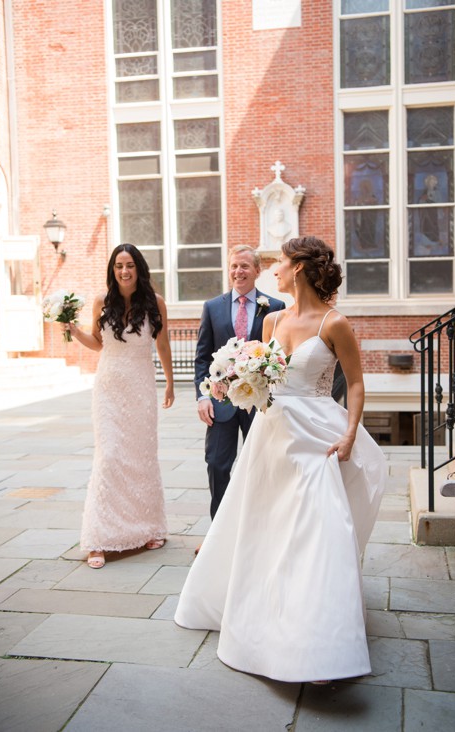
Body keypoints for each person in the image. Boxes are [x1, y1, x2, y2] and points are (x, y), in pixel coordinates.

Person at [175, 235, 386, 683]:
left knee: (320, 527)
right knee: (266, 525)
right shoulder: (270, 321)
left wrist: (349, 436)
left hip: (318, 438)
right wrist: (232, 383)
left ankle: (319, 641)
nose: (274, 270)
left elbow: (357, 384)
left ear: (302, 269)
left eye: (283, 263)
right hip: (273, 436)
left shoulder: (335, 323)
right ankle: (266, 618)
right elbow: (264, 379)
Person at [63, 244, 174, 569]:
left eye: (129, 265)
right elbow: (98, 343)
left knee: (141, 457)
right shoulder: (102, 301)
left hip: (141, 387)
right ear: (112, 270)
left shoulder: (156, 303)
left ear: (138, 268)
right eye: (118, 266)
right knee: (110, 455)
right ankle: (99, 538)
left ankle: (150, 527)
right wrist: (74, 331)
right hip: (109, 387)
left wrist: (169, 383)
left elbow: (163, 343)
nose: (124, 271)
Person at [194, 245, 285, 523]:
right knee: (217, 466)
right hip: (221, 402)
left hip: (258, 404)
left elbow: (279, 357)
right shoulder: (212, 307)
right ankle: (219, 531)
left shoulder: (275, 307)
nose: (238, 271)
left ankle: (258, 527)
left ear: (257, 270)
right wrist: (203, 397)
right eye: (234, 266)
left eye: (245, 266)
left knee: (261, 467)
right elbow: (201, 357)